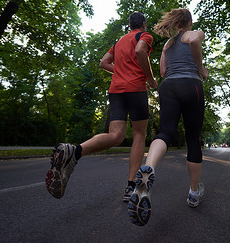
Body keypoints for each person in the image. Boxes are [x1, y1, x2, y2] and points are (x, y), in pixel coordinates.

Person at [45, 12, 158, 200]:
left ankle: (75, 151)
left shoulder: (119, 42)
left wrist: (121, 70)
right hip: (136, 88)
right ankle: (130, 186)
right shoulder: (144, 36)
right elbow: (140, 51)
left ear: (129, 25)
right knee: (139, 134)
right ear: (143, 24)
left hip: (116, 90)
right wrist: (151, 79)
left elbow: (103, 63)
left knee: (115, 136)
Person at [127, 8, 208, 226]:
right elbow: (192, 41)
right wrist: (200, 68)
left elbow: (162, 72)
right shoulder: (195, 33)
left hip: (169, 86)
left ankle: (149, 168)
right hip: (191, 85)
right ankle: (193, 192)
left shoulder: (167, 44)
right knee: (192, 138)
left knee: (166, 132)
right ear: (190, 21)